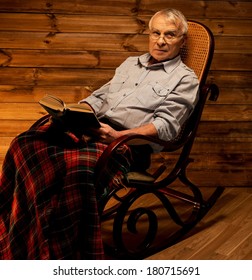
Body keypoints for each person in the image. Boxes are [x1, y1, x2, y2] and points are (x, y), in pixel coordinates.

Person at [0, 8, 199, 259]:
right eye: (156, 33)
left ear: (182, 40)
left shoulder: (184, 79)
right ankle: (21, 225)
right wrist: (74, 113)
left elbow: (167, 126)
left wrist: (117, 136)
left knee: (73, 169)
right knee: (25, 144)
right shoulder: (130, 64)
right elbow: (101, 96)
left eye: (169, 35)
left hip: (127, 145)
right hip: (93, 130)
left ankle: (60, 250)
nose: (160, 40)